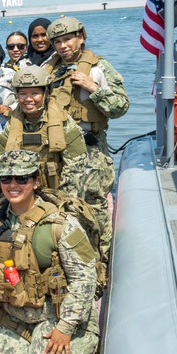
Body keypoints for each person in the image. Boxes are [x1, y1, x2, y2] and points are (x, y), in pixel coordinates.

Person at [0, 150, 99, 354]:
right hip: (15, 312)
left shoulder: (59, 224)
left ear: (35, 181)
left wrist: (66, 327)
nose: (13, 185)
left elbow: (85, 278)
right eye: (6, 178)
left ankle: (86, 350)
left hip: (55, 314)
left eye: (22, 179)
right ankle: (31, 345)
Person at [42, 16, 129, 267]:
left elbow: (121, 106)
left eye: (68, 39)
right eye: (57, 42)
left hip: (90, 151)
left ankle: (101, 261)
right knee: (59, 205)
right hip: (57, 151)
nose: (63, 46)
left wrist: (94, 88)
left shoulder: (98, 68)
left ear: (81, 37)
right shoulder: (50, 69)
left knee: (95, 206)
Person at [0, 67, 93, 199]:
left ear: (46, 93)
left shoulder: (63, 122)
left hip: (58, 193)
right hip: (22, 193)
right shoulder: (12, 125)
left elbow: (76, 168)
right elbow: (2, 164)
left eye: (35, 93)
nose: (28, 99)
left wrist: (62, 202)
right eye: (23, 94)